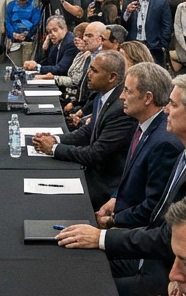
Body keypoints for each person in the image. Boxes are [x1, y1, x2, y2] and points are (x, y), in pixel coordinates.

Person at [57, 73, 186, 296]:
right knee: (73, 260)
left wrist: (101, 237)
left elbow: (171, 238)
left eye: (173, 104)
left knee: (84, 289)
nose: (166, 110)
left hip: (165, 274)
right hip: (149, 253)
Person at [32, 51, 136, 208]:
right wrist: (56, 139)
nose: (88, 74)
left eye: (94, 71)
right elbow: (88, 132)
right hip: (92, 170)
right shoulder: (102, 96)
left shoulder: (120, 108)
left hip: (104, 183)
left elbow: (96, 153)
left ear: (112, 77)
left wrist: (54, 148)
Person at [93, 62, 184, 229]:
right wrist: (115, 198)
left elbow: (153, 207)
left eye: (128, 91)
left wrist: (114, 221)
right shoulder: (144, 123)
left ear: (148, 98)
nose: (121, 96)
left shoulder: (164, 143)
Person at [123, 0, 174, 66]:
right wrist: (127, 12)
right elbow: (123, 24)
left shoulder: (161, 2)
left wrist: (163, 45)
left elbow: (167, 25)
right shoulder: (129, 0)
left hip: (154, 47)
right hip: (134, 46)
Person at [45, 22, 91, 97]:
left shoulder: (89, 57)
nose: (76, 40)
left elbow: (75, 81)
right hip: (68, 93)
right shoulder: (80, 54)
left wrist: (53, 78)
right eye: (75, 37)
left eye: (80, 37)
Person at [3, 0, 41, 64]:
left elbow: (36, 23)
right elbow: (8, 22)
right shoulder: (11, 5)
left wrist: (25, 35)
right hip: (14, 42)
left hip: (30, 43)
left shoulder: (35, 4)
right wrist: (13, 34)